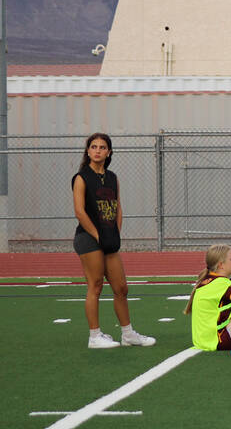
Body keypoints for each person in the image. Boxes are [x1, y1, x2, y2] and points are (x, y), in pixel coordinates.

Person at [71, 132, 156, 349]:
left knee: (121, 288)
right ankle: (94, 336)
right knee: (96, 285)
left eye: (102, 147)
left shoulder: (112, 177)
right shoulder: (81, 177)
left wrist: (114, 233)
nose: (97, 151)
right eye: (93, 147)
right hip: (88, 238)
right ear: (88, 151)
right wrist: (98, 236)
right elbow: (80, 212)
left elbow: (117, 207)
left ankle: (128, 334)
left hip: (109, 240)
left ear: (109, 151)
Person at [185, 244, 231, 351]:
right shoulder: (219, 283)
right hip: (218, 341)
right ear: (221, 265)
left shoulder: (209, 281)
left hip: (206, 341)